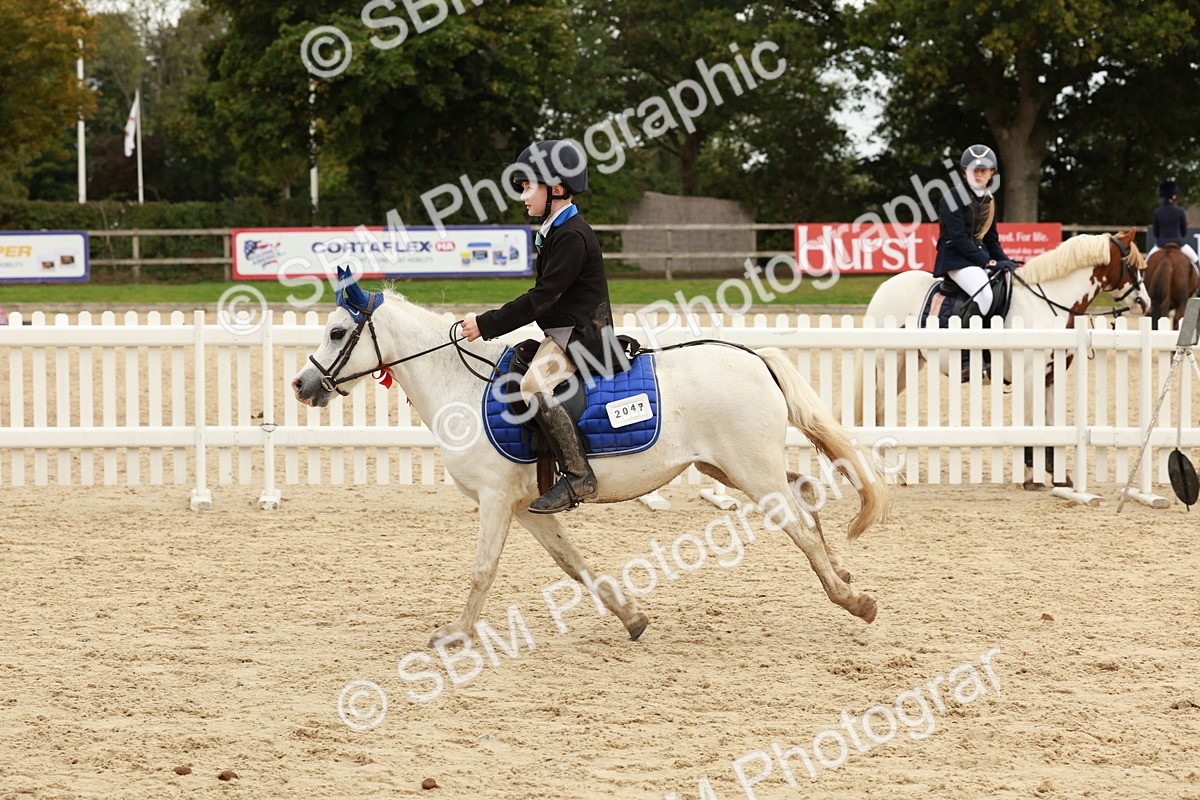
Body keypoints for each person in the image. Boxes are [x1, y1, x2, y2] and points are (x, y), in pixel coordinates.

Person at [460, 139, 624, 514]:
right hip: (564, 332)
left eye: (528, 186)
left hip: (582, 338)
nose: (523, 196)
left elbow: (542, 298)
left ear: (557, 188)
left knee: (532, 386)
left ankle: (579, 475)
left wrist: (484, 324)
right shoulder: (556, 231)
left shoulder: (572, 235)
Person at [933, 144, 1015, 380]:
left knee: (1008, 287)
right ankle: (965, 354)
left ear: (992, 173)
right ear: (965, 171)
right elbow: (958, 238)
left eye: (984, 170)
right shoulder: (952, 197)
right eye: (973, 170)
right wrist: (988, 262)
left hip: (976, 257)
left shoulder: (989, 200)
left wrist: (1005, 261)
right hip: (955, 258)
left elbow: (991, 238)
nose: (978, 173)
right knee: (985, 295)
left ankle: (990, 347)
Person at [1150, 178, 1200, 282]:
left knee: (1146, 264)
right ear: (1173, 195)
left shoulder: (1157, 212)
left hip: (1161, 244)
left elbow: (1156, 232)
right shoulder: (1180, 211)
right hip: (1179, 243)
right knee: (1196, 260)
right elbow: (1183, 231)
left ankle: (1143, 289)